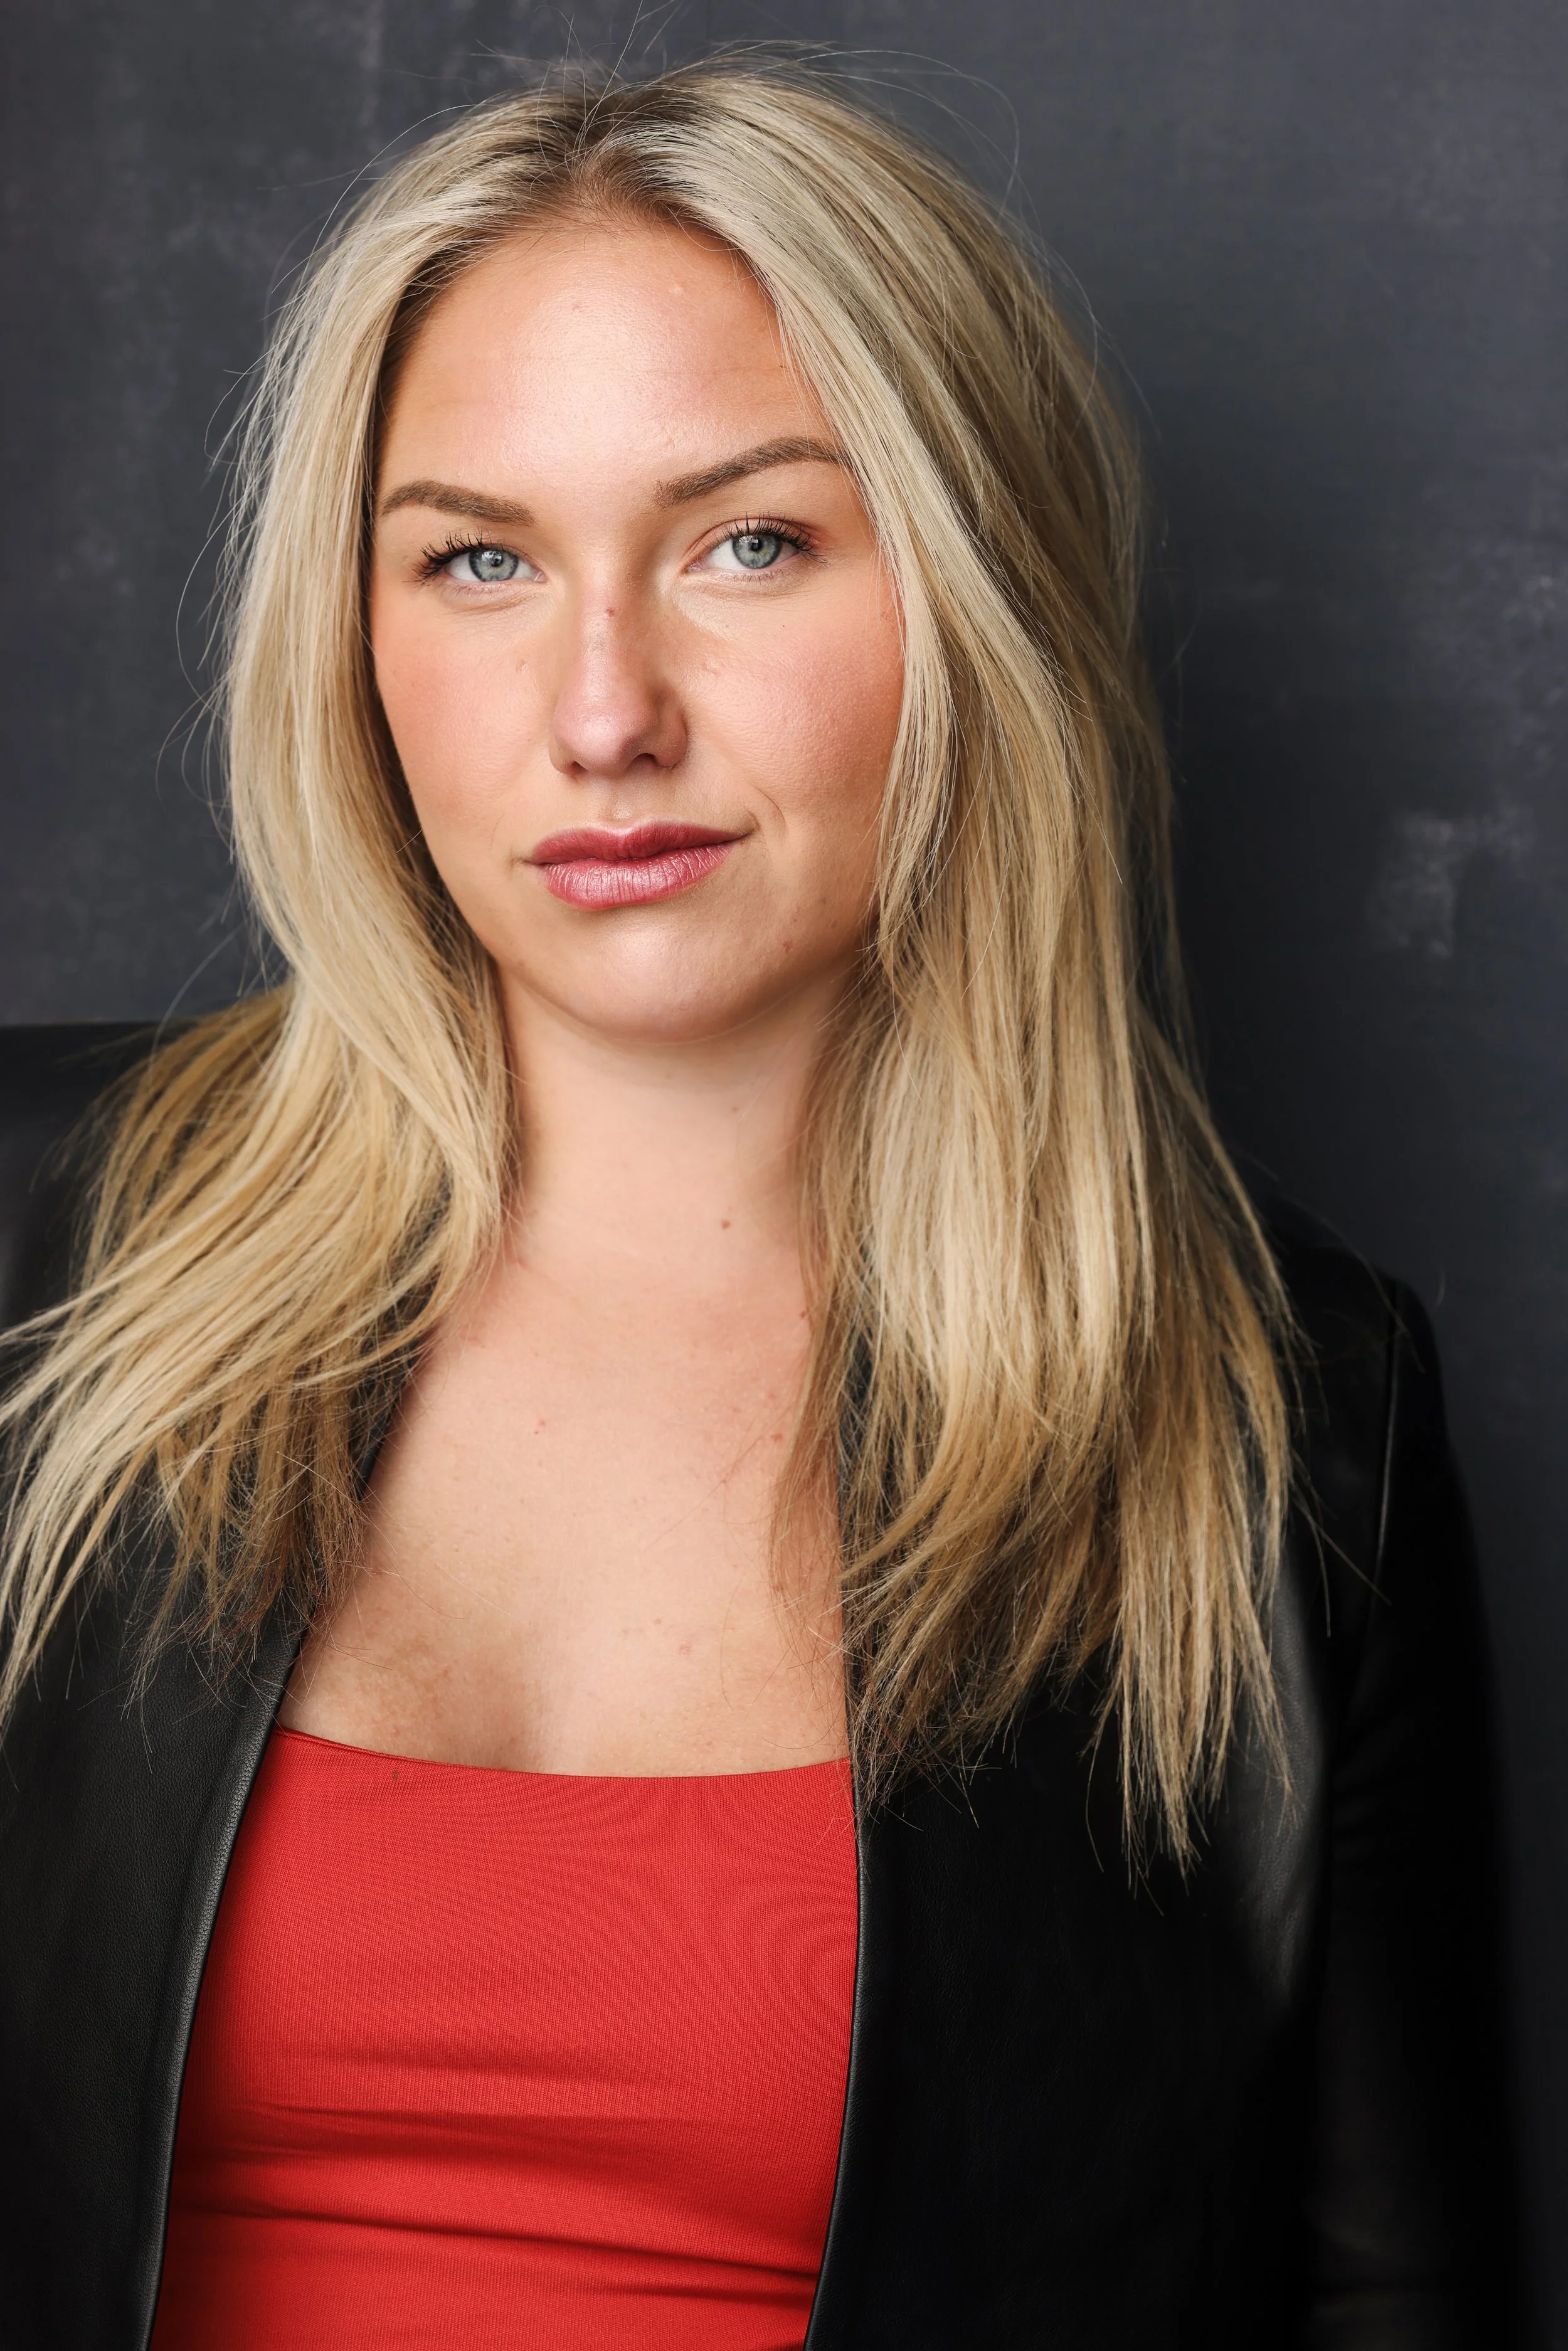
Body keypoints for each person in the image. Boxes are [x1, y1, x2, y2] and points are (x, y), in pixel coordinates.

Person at [0, 58, 1518, 2351]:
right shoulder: (40, 1244)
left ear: (975, 597)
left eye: (749, 544)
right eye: (479, 559)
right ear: (354, 635)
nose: (602, 711)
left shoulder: (1283, 1428)